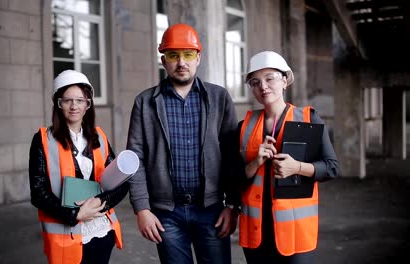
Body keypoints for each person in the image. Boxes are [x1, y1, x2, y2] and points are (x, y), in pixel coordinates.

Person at [126, 23, 240, 264]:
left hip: (212, 210)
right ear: (163, 60)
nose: (181, 62)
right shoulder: (145, 102)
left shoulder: (219, 98)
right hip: (166, 213)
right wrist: (142, 209)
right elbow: (135, 158)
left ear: (198, 58)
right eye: (173, 55)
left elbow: (232, 155)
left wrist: (233, 205)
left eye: (188, 55)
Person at [235, 51, 339, 264]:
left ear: (285, 80)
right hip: (257, 233)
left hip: (294, 233)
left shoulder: (309, 119)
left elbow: (331, 168)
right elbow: (233, 178)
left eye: (269, 78)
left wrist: (297, 167)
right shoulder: (244, 127)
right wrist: (255, 162)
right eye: (255, 82)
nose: (263, 86)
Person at [29, 69, 129, 264]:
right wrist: (76, 214)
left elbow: (122, 182)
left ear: (87, 105)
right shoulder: (42, 140)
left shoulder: (99, 137)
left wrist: (102, 203)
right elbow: (38, 192)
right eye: (67, 100)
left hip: (101, 231)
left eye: (80, 100)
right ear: (58, 104)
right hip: (67, 235)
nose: (74, 106)